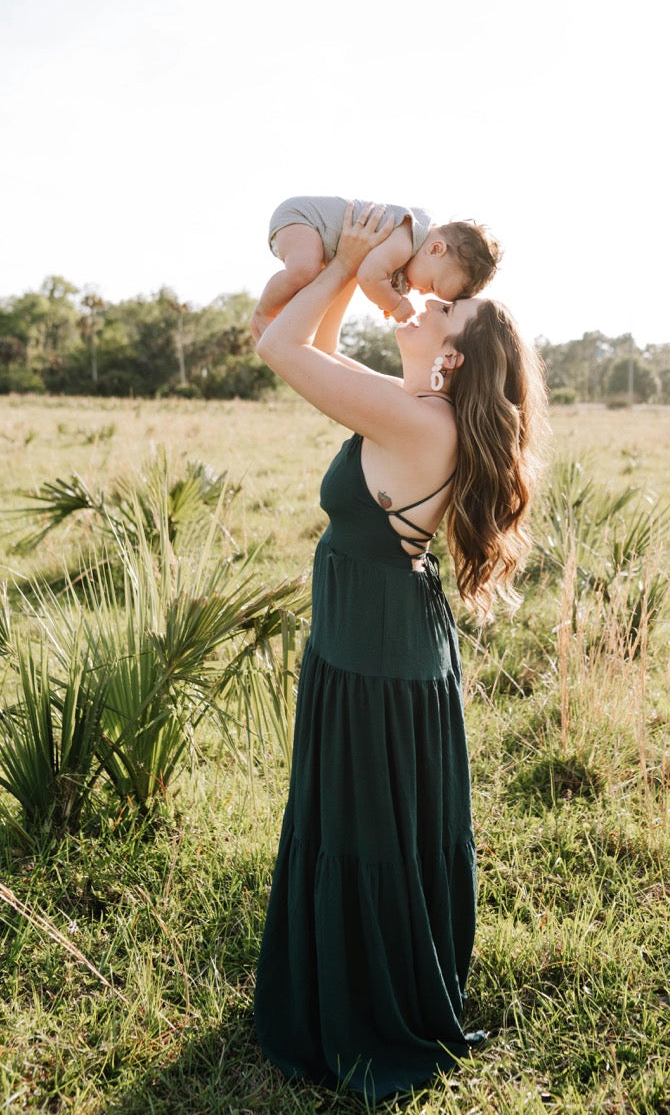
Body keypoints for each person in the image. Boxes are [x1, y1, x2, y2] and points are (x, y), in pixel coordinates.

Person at [252, 204, 547, 1102]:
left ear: (453, 354)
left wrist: (342, 260)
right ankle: (369, 985)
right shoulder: (411, 405)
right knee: (375, 826)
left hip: (374, 655)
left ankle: (365, 1012)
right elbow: (313, 345)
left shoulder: (419, 422)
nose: (423, 295)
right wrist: (342, 276)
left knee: (363, 831)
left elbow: (278, 346)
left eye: (444, 309)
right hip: (384, 643)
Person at [259, 194, 501, 324]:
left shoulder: (407, 255)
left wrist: (387, 295)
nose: (424, 293)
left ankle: (281, 318)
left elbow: (373, 275)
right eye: (432, 286)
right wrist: (394, 304)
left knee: (312, 280)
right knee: (304, 270)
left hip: (318, 238)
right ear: (435, 249)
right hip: (304, 218)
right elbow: (369, 275)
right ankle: (263, 312)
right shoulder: (408, 236)